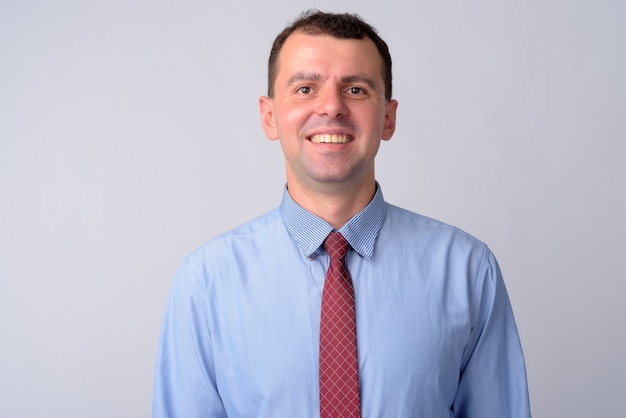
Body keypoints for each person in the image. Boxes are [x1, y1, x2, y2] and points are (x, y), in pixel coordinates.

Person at [152, 10, 531, 418]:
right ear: (269, 116)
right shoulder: (205, 283)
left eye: (355, 90)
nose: (331, 107)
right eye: (305, 88)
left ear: (388, 117)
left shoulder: (468, 271)